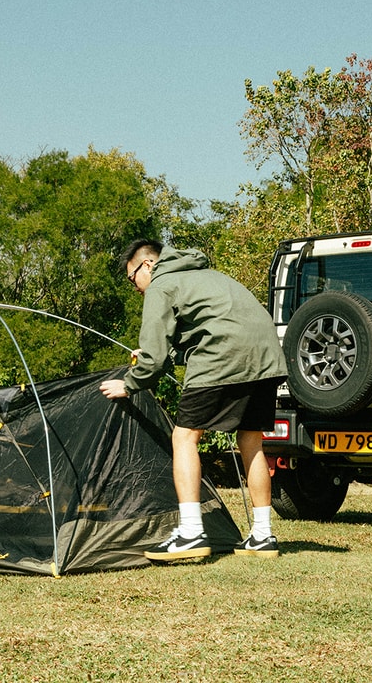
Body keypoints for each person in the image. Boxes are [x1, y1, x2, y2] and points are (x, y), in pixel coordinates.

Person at [100, 240, 287, 561]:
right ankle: (262, 535)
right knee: (251, 440)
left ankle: (190, 533)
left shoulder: (161, 284)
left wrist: (129, 384)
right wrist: (161, 356)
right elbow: (207, 330)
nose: (135, 288)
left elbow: (155, 362)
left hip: (226, 355)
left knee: (184, 436)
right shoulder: (207, 276)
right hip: (268, 357)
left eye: (132, 279)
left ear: (147, 265)